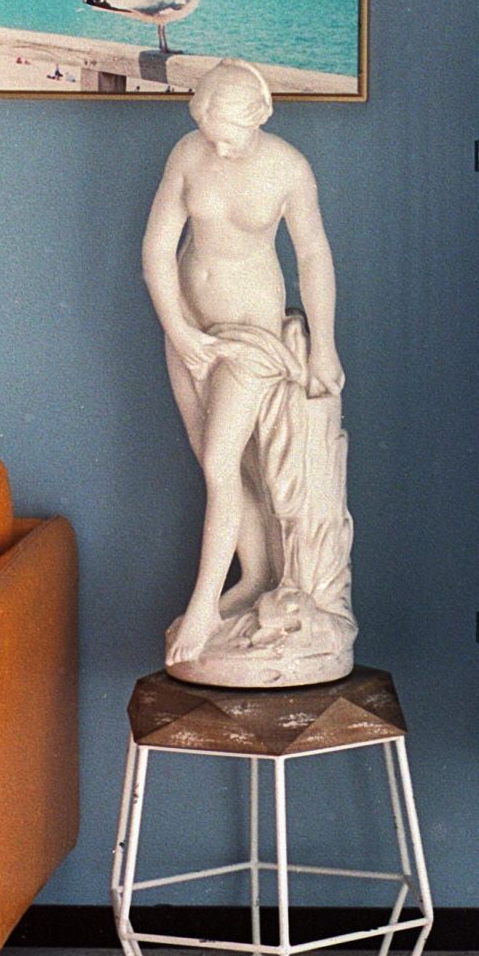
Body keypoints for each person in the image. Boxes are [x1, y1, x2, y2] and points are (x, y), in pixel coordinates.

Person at [143, 58, 352, 677]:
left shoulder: (288, 167)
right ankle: (256, 575)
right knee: (225, 466)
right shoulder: (189, 153)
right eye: (208, 132)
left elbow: (313, 256)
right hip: (188, 330)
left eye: (228, 134)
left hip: (251, 337)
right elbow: (157, 247)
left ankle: (203, 607)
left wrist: (324, 345)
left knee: (219, 462)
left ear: (258, 115)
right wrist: (179, 330)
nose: (219, 146)